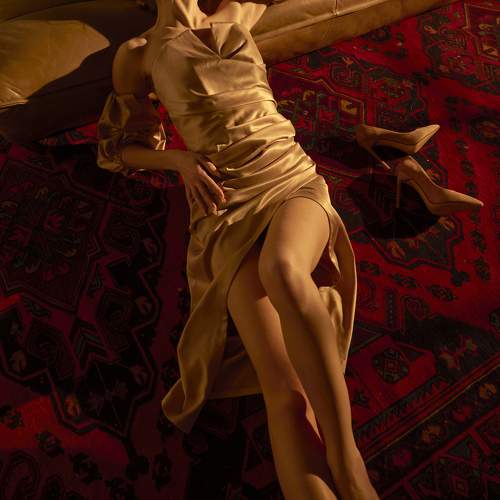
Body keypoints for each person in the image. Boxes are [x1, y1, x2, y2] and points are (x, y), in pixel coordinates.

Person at [96, 1, 482, 498]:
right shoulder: (138, 52)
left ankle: (347, 461)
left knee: (282, 267)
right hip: (223, 208)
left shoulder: (240, 10)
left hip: (288, 180)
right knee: (284, 392)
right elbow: (118, 148)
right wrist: (179, 161)